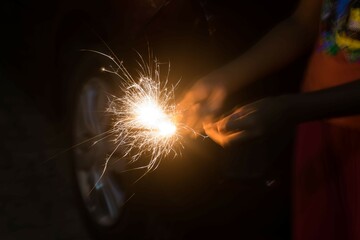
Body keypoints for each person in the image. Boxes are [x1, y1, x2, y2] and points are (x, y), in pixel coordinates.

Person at [178, 0, 360, 239]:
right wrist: (223, 80)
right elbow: (301, 24)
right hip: (316, 127)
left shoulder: (293, 110)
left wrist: (288, 109)